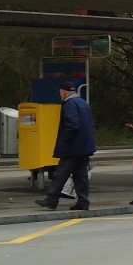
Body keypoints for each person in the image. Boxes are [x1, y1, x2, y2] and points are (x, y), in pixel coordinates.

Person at [35, 80, 96, 212]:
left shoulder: (69, 104)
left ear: (64, 92)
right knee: (81, 175)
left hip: (72, 147)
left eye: (60, 93)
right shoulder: (83, 103)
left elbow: (73, 125)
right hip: (85, 147)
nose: (60, 95)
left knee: (60, 174)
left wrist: (65, 139)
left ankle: (51, 200)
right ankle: (83, 201)